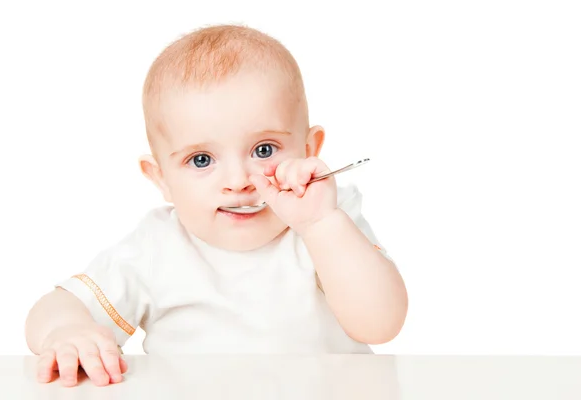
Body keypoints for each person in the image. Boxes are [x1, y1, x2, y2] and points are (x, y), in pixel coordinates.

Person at [24, 24, 408, 387]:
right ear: (161, 179)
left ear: (309, 150)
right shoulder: (156, 247)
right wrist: (67, 331)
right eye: (201, 160)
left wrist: (322, 224)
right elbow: (56, 306)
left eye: (264, 150)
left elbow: (381, 324)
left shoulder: (328, 221)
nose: (238, 180)